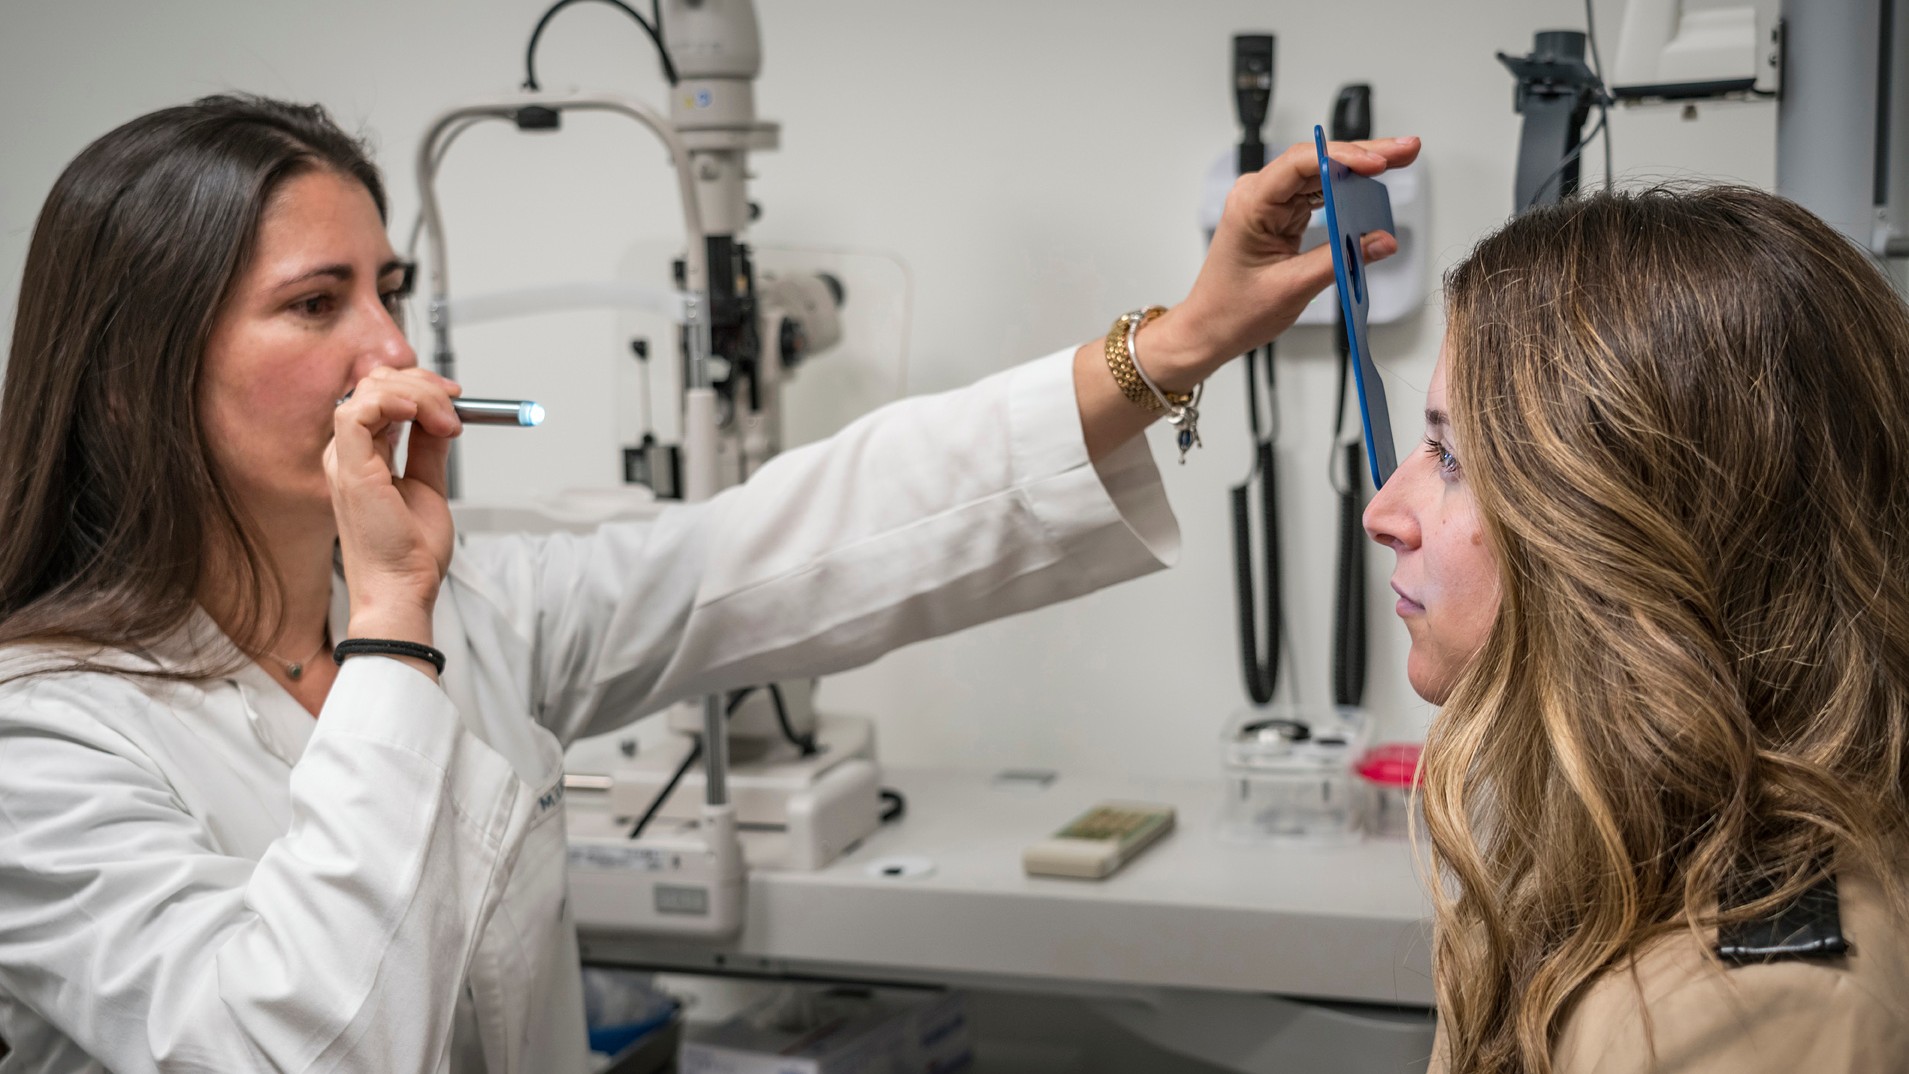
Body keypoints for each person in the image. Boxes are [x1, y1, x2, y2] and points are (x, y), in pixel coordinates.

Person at [0, 94, 1418, 1071]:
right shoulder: (44, 740)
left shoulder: (473, 608)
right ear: (137, 381)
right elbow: (294, 1044)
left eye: (393, 284)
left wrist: (1171, 345)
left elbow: (787, 540)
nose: (395, 345)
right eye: (318, 304)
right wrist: (389, 624)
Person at [1364, 185, 1909, 1073]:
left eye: (1454, 456)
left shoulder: (1757, 1009)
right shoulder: (1623, 845)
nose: (1383, 512)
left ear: (1647, 522)